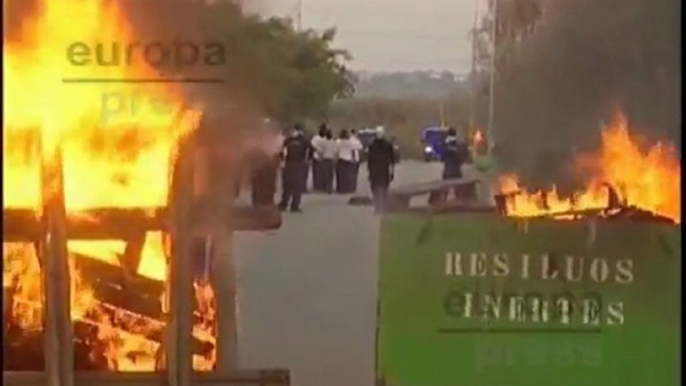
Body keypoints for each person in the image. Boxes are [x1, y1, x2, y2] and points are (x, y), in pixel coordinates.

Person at [278, 124, 312, 212]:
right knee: (297, 186)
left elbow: (282, 152)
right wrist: (307, 160)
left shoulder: (288, 140)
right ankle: (294, 205)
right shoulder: (304, 140)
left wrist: (282, 161)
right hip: (299, 164)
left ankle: (284, 204)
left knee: (287, 185)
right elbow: (311, 151)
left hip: (289, 164)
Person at [366, 126, 396, 212]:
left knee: (375, 188)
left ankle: (378, 206)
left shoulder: (372, 145)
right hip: (384, 169)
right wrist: (392, 171)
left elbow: (369, 159)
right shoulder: (388, 145)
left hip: (375, 169)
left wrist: (369, 170)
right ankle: (383, 206)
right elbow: (392, 160)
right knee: (384, 188)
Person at [336, 129, 362, 194]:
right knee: (348, 176)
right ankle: (348, 188)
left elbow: (336, 151)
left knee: (341, 176)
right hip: (348, 160)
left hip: (341, 159)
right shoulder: (350, 142)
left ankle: (341, 189)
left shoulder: (338, 142)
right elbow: (358, 148)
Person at [320, 129, 337, 194]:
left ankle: (325, 188)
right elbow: (335, 151)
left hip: (325, 158)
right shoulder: (334, 142)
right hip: (331, 159)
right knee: (331, 174)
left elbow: (321, 151)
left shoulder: (323, 142)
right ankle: (330, 188)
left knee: (325, 174)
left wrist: (321, 157)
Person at [310, 125, 327, 192]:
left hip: (320, 157)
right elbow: (313, 147)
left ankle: (321, 186)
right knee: (317, 173)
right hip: (318, 157)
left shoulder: (324, 138)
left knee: (321, 173)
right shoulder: (316, 138)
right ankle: (318, 186)